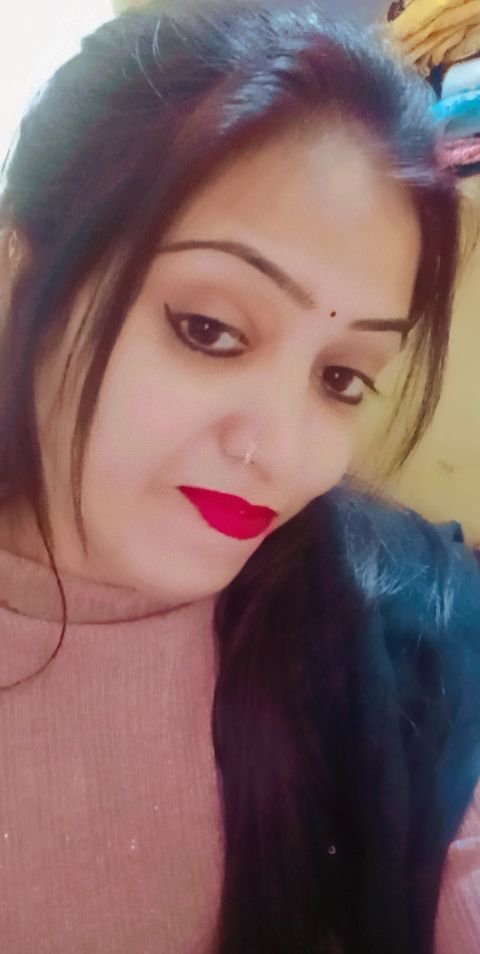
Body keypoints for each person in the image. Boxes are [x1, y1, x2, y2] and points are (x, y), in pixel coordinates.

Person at [0, 1, 478, 952]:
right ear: (21, 271)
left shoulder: (408, 643)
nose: (284, 452)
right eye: (209, 329)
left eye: (341, 378)